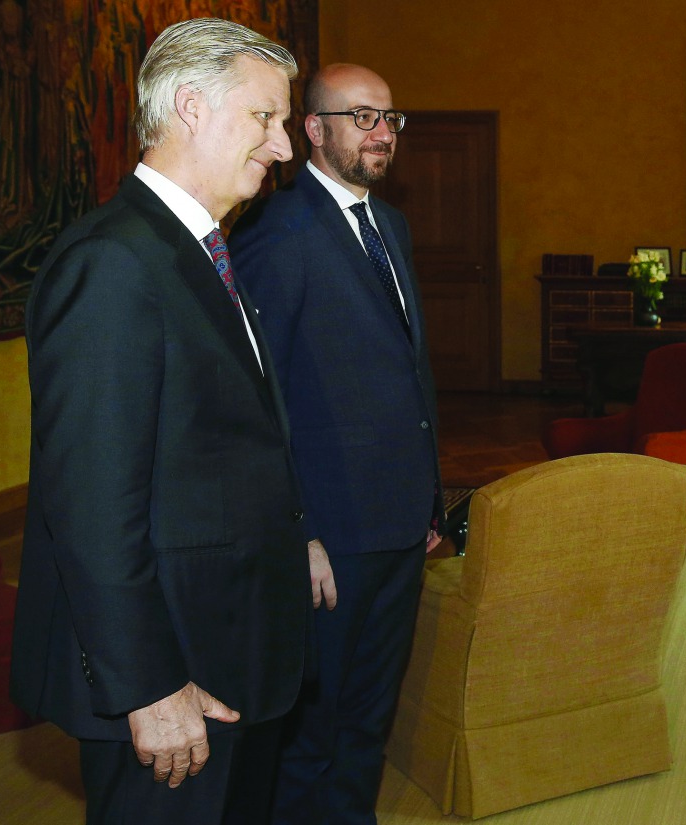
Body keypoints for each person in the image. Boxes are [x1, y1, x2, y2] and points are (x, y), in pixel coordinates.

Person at [10, 18, 309, 825]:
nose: (283, 147)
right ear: (191, 107)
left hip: (232, 641)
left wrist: (295, 536)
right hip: (177, 667)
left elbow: (223, 443)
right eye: (266, 118)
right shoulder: (113, 262)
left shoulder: (197, 246)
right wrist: (147, 684)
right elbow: (91, 507)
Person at [229, 62, 445, 825]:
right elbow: (260, 397)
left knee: (367, 719)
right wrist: (300, 530)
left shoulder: (390, 225)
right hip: (328, 535)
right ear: (313, 130)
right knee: (310, 735)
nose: (382, 133)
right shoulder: (276, 231)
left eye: (390, 118)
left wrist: (430, 501)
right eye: (361, 117)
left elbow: (406, 377)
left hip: (396, 524)